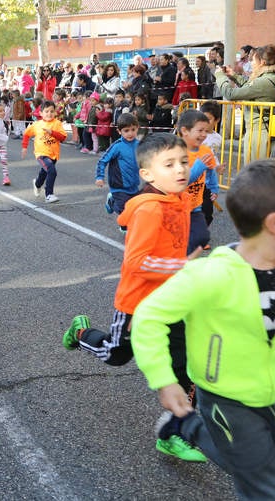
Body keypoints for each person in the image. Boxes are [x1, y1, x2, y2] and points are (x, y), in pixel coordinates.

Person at [132, 159, 275, 499]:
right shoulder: (211, 275)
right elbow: (148, 317)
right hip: (226, 398)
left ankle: (189, 429)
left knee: (262, 471)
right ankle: (190, 424)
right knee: (270, 490)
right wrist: (164, 380)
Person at [63, 133, 206, 463]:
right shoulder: (150, 211)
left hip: (174, 303)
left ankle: (173, 434)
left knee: (185, 368)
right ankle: (81, 333)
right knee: (116, 355)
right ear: (148, 174)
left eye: (184, 162)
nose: (181, 169)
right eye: (169, 164)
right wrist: (182, 265)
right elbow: (137, 261)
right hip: (137, 303)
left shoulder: (179, 200)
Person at [214, 44, 275, 162]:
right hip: (258, 130)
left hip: (258, 133)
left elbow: (231, 94)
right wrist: (233, 75)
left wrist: (220, 77)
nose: (251, 63)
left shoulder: (264, 81)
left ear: (262, 62)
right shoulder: (269, 77)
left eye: (253, 59)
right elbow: (249, 87)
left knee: (256, 173)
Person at [177, 110, 219, 252]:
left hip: (196, 204)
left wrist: (214, 188)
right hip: (177, 206)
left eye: (206, 131)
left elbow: (211, 170)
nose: (204, 135)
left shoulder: (205, 150)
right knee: (176, 242)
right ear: (185, 131)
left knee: (201, 237)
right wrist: (198, 167)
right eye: (200, 130)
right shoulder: (176, 152)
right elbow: (181, 181)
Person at [21, 100, 67, 203]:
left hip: (53, 154)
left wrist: (52, 132)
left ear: (55, 112)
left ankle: (37, 184)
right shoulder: (37, 124)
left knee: (44, 172)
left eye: (51, 111)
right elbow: (26, 134)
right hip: (41, 154)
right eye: (46, 111)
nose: (49, 114)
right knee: (51, 171)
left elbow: (63, 137)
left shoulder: (57, 123)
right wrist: (24, 147)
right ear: (41, 113)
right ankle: (49, 194)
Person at [95, 113, 140, 215]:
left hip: (133, 185)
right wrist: (99, 177)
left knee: (135, 209)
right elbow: (102, 161)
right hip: (119, 186)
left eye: (133, 129)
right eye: (126, 131)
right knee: (123, 211)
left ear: (138, 128)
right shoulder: (117, 146)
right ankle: (112, 202)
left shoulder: (139, 145)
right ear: (119, 131)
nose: (130, 133)